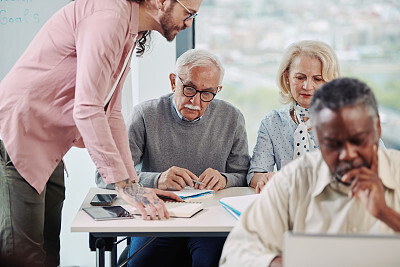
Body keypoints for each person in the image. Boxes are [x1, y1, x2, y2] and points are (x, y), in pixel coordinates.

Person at [0, 0, 203, 265]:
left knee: (49, 253)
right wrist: (123, 184)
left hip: (48, 146)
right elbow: (87, 109)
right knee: (25, 257)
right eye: (188, 14)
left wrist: (133, 184)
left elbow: (112, 113)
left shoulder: (130, 31)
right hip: (18, 137)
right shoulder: (109, 17)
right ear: (161, 2)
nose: (189, 24)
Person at [219, 78, 400, 267]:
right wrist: (275, 263)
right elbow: (235, 253)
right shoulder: (293, 180)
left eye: (357, 139)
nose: (347, 155)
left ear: (377, 127)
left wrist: (387, 215)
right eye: (333, 144)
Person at [96, 49, 250, 267]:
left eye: (207, 93)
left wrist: (225, 179)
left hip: (210, 220)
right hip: (160, 216)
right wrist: (156, 180)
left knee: (212, 261)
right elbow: (104, 177)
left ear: (218, 91)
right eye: (188, 89)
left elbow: (244, 175)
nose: (195, 101)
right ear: (173, 82)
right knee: (141, 263)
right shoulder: (145, 114)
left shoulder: (232, 117)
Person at [248, 40, 341, 193]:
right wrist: (265, 179)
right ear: (287, 77)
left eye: (317, 79)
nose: (307, 86)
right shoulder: (272, 122)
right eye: (300, 77)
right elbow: (255, 174)